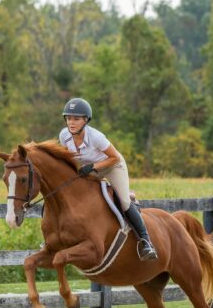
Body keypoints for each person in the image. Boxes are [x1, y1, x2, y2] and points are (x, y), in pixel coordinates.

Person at [59, 97, 158, 261]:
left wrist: (93, 167)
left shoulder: (96, 137)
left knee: (124, 202)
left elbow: (114, 158)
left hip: (113, 166)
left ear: (85, 120)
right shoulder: (64, 136)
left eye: (76, 119)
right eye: (68, 118)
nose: (71, 122)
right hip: (90, 168)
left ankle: (146, 241)